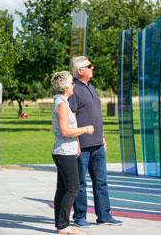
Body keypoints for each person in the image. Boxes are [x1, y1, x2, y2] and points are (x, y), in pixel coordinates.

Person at [69, 56, 123, 227]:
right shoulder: (73, 90)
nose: (92, 68)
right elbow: (70, 117)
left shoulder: (91, 87)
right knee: (80, 183)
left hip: (97, 144)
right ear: (80, 71)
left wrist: (103, 136)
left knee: (101, 181)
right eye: (89, 66)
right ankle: (80, 217)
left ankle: (104, 215)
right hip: (82, 145)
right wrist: (75, 140)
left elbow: (96, 116)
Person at [50, 71, 94, 235]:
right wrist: (85, 129)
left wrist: (76, 144)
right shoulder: (61, 104)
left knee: (63, 189)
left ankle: (61, 226)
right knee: (73, 188)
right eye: (71, 82)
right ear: (66, 86)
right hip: (63, 153)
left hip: (66, 151)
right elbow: (64, 131)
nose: (74, 85)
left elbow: (67, 131)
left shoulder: (63, 102)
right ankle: (63, 226)